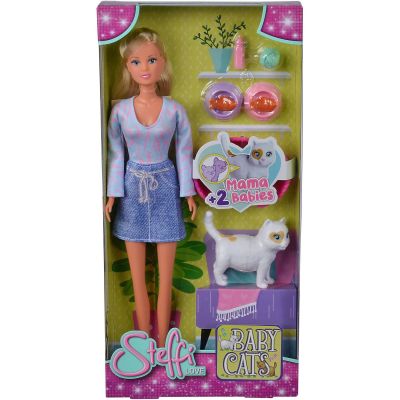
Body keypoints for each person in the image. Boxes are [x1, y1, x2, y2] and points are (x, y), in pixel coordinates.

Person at [104, 28, 197, 347]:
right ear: (127, 66)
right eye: (136, 62)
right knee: (138, 277)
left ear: (163, 63)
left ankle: (164, 342)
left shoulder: (175, 110)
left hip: (165, 186)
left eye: (152, 60)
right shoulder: (120, 111)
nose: (144, 68)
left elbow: (184, 152)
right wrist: (112, 194)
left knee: (165, 276)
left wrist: (188, 192)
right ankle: (143, 342)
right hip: (131, 188)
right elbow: (116, 154)